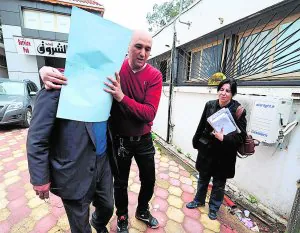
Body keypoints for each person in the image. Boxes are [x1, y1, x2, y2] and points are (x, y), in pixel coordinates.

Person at [38, 30, 163, 233]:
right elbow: (83, 71)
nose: (142, 53)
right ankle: (122, 216)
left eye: (147, 49)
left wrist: (121, 97)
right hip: (120, 139)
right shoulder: (115, 68)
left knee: (149, 179)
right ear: (128, 48)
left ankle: (142, 210)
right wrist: (44, 71)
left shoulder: (155, 75)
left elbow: (149, 113)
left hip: (144, 138)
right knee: (120, 183)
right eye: (138, 47)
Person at [27, 84, 115, 233]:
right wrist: (40, 177)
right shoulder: (56, 86)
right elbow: (37, 137)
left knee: (107, 206)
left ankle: (98, 224)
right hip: (74, 168)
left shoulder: (105, 85)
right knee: (80, 226)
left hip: (103, 161)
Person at [186, 78, 247, 220]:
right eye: (222, 89)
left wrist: (224, 138)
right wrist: (196, 142)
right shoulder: (210, 105)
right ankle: (198, 200)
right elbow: (201, 126)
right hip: (207, 150)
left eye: (228, 91)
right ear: (218, 90)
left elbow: (241, 137)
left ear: (232, 94)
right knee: (203, 178)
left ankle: (213, 208)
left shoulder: (238, 111)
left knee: (219, 183)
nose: (224, 93)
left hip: (225, 154)